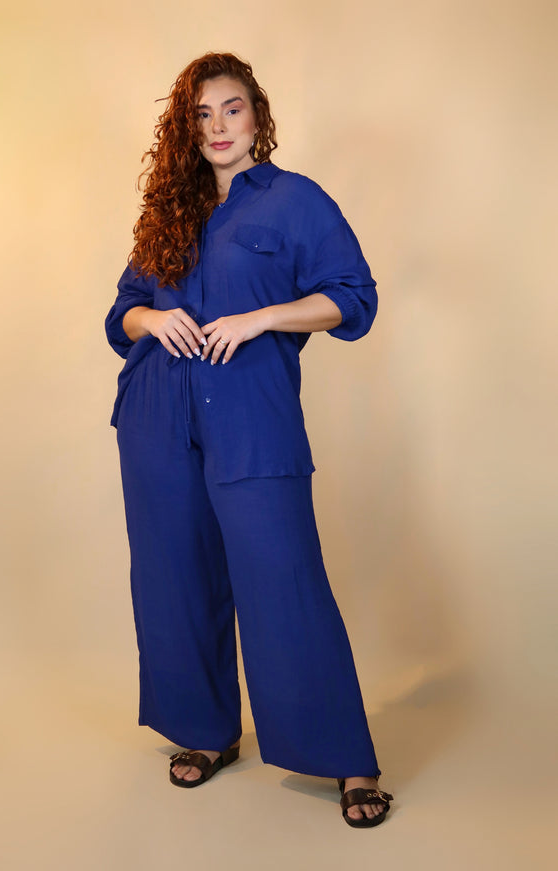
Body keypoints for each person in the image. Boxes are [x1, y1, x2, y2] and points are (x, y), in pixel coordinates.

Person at [105, 52, 393, 828]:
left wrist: (262, 318)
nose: (217, 126)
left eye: (231, 108)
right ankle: (206, 731)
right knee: (174, 578)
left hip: (252, 421)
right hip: (157, 419)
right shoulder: (169, 210)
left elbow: (353, 298)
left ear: (257, 115)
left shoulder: (295, 201)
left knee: (283, 577)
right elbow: (121, 311)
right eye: (200, 115)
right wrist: (151, 317)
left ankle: (347, 758)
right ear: (185, 128)